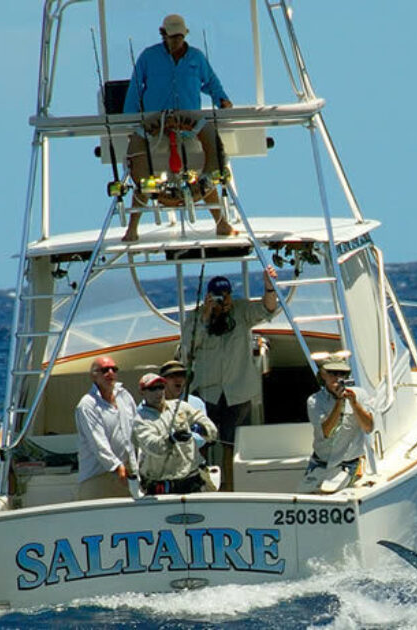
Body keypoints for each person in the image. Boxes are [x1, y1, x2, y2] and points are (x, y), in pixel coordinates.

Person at [122, 13, 236, 242]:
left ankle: (221, 223)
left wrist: (222, 100)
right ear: (163, 34)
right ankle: (132, 228)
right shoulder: (149, 57)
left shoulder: (196, 58)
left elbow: (211, 82)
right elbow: (135, 88)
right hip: (156, 131)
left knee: (206, 173)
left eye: (180, 37)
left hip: (189, 132)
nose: (176, 41)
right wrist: (130, 122)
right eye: (172, 37)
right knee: (145, 176)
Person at [179, 266, 279, 491]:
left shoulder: (241, 311)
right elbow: (188, 348)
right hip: (206, 393)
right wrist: (206, 317)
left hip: (238, 391)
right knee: (201, 441)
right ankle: (201, 487)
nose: (221, 300)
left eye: (224, 296)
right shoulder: (195, 318)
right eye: (216, 296)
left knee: (231, 444)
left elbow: (268, 309)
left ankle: (230, 488)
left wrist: (269, 286)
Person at [299, 353, 375, 494]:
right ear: (323, 375)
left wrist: (353, 403)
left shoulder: (360, 395)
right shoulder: (314, 401)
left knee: (331, 493)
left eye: (342, 373)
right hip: (320, 463)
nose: (338, 377)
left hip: (349, 464)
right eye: (333, 373)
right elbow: (326, 432)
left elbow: (368, 427)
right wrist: (339, 402)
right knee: (304, 495)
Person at [132, 373, 218, 495]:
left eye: (161, 387)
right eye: (152, 389)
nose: (158, 392)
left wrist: (203, 430)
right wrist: (171, 439)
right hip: (162, 485)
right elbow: (153, 447)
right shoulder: (140, 420)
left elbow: (210, 428)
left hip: (192, 479)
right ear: (142, 392)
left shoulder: (180, 406)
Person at [74, 356, 139, 500]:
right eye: (104, 370)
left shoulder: (125, 396)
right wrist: (117, 467)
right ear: (93, 376)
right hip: (97, 478)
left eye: (114, 369)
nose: (110, 373)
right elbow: (98, 443)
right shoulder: (87, 405)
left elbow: (137, 430)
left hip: (126, 476)